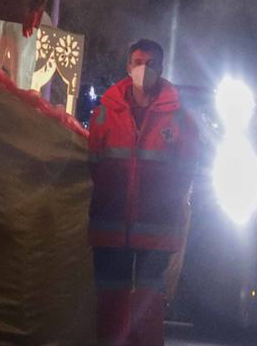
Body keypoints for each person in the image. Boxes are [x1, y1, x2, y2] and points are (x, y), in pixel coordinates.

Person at [88, 39, 198, 346]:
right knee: (111, 304)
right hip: (111, 227)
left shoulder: (181, 119)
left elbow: (186, 171)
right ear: (127, 66)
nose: (143, 69)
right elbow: (93, 163)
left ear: (161, 70)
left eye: (150, 64)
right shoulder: (104, 113)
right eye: (138, 62)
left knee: (147, 307)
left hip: (156, 230)